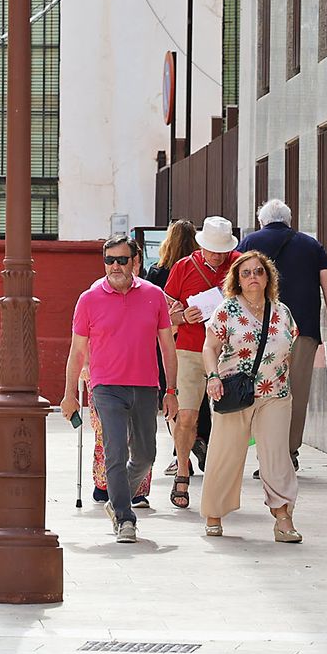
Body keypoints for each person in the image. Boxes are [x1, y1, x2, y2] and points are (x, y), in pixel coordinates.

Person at [59, 234, 179, 543]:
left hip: (145, 386)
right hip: (106, 387)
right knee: (114, 450)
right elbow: (77, 351)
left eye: (122, 260)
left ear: (136, 262)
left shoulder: (154, 296)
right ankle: (126, 519)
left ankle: (116, 499)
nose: (115, 266)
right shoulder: (88, 299)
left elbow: (167, 347)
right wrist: (69, 394)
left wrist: (172, 391)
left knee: (146, 455)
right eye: (109, 260)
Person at [200, 251, 302, 542]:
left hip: (275, 395)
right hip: (234, 392)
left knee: (276, 456)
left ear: (268, 276)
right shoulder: (227, 310)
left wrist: (280, 378)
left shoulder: (282, 312)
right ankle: (214, 514)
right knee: (225, 454)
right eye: (246, 273)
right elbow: (209, 348)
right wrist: (213, 376)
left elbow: (290, 347)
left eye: (258, 271)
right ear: (237, 279)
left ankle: (283, 518)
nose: (253, 277)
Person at [238, 199, 327, 470]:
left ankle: (267, 454)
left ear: (262, 221)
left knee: (264, 391)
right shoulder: (311, 245)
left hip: (259, 331)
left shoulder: (249, 243)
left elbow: (232, 282)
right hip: (303, 330)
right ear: (289, 220)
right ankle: (288, 453)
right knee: (295, 391)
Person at [161, 215, 239, 510]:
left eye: (222, 251)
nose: (217, 256)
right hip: (191, 351)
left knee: (227, 421)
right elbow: (164, 317)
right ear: (201, 245)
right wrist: (182, 317)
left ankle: (220, 479)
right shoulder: (183, 267)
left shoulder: (241, 264)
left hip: (230, 354)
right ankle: (182, 470)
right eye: (211, 250)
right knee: (187, 417)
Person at [144, 220, 208, 479]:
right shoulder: (195, 267)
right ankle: (201, 439)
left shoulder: (158, 272)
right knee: (199, 403)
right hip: (198, 342)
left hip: (168, 343)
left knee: (174, 399)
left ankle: (180, 455)